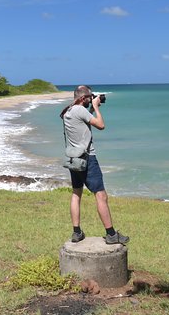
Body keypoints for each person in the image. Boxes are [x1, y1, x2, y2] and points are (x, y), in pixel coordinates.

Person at [60, 85, 129, 245]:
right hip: (88, 158)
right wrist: (96, 108)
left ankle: (76, 232)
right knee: (101, 195)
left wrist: (90, 108)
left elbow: (82, 121)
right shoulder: (80, 110)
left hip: (74, 159)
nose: (91, 99)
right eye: (90, 97)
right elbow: (100, 125)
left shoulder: (68, 111)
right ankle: (111, 234)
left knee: (76, 194)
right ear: (83, 98)